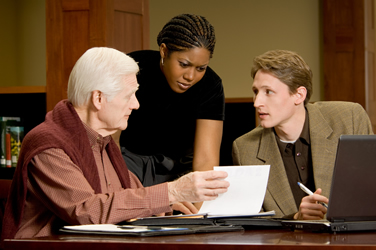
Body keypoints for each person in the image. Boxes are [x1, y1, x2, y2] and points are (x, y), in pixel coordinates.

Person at [0, 47, 229, 241]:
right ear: (98, 98)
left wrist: (169, 205)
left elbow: (131, 196)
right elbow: (88, 211)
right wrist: (172, 191)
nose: (136, 105)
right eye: (129, 95)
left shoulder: (103, 142)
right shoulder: (49, 145)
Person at [232, 49, 373, 220]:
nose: (256, 102)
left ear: (299, 95)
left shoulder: (349, 118)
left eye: (268, 92)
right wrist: (296, 218)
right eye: (256, 92)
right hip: (289, 245)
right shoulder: (245, 148)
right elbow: (252, 220)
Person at [115, 13, 225, 187]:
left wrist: (197, 211)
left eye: (201, 68)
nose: (190, 76)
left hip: (179, 171)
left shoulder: (210, 85)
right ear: (164, 51)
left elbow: (205, 160)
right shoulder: (131, 68)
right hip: (126, 165)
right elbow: (110, 142)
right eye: (183, 64)